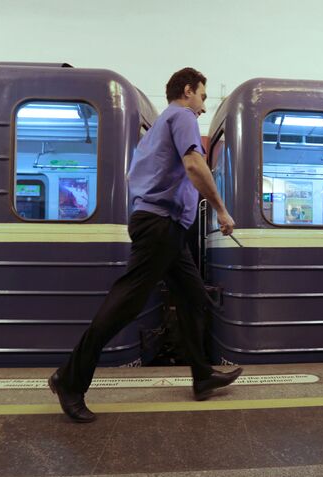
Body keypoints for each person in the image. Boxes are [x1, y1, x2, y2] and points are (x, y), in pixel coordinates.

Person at [49, 67, 242, 422]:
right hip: (160, 226)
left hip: (164, 226)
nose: (202, 106)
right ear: (188, 91)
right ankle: (69, 380)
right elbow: (195, 165)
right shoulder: (181, 116)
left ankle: (202, 376)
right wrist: (222, 211)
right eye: (202, 95)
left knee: (194, 297)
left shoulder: (157, 129)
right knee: (124, 305)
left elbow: (137, 176)